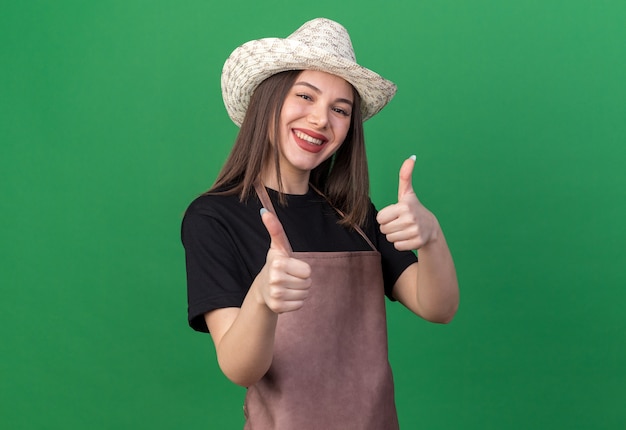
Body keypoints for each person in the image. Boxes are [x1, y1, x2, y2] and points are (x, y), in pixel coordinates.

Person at [182, 17, 459, 429]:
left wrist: (432, 238)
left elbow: (438, 307)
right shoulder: (215, 217)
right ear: (268, 100)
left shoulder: (355, 213)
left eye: (340, 109)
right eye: (306, 96)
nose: (320, 120)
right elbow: (241, 370)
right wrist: (261, 297)